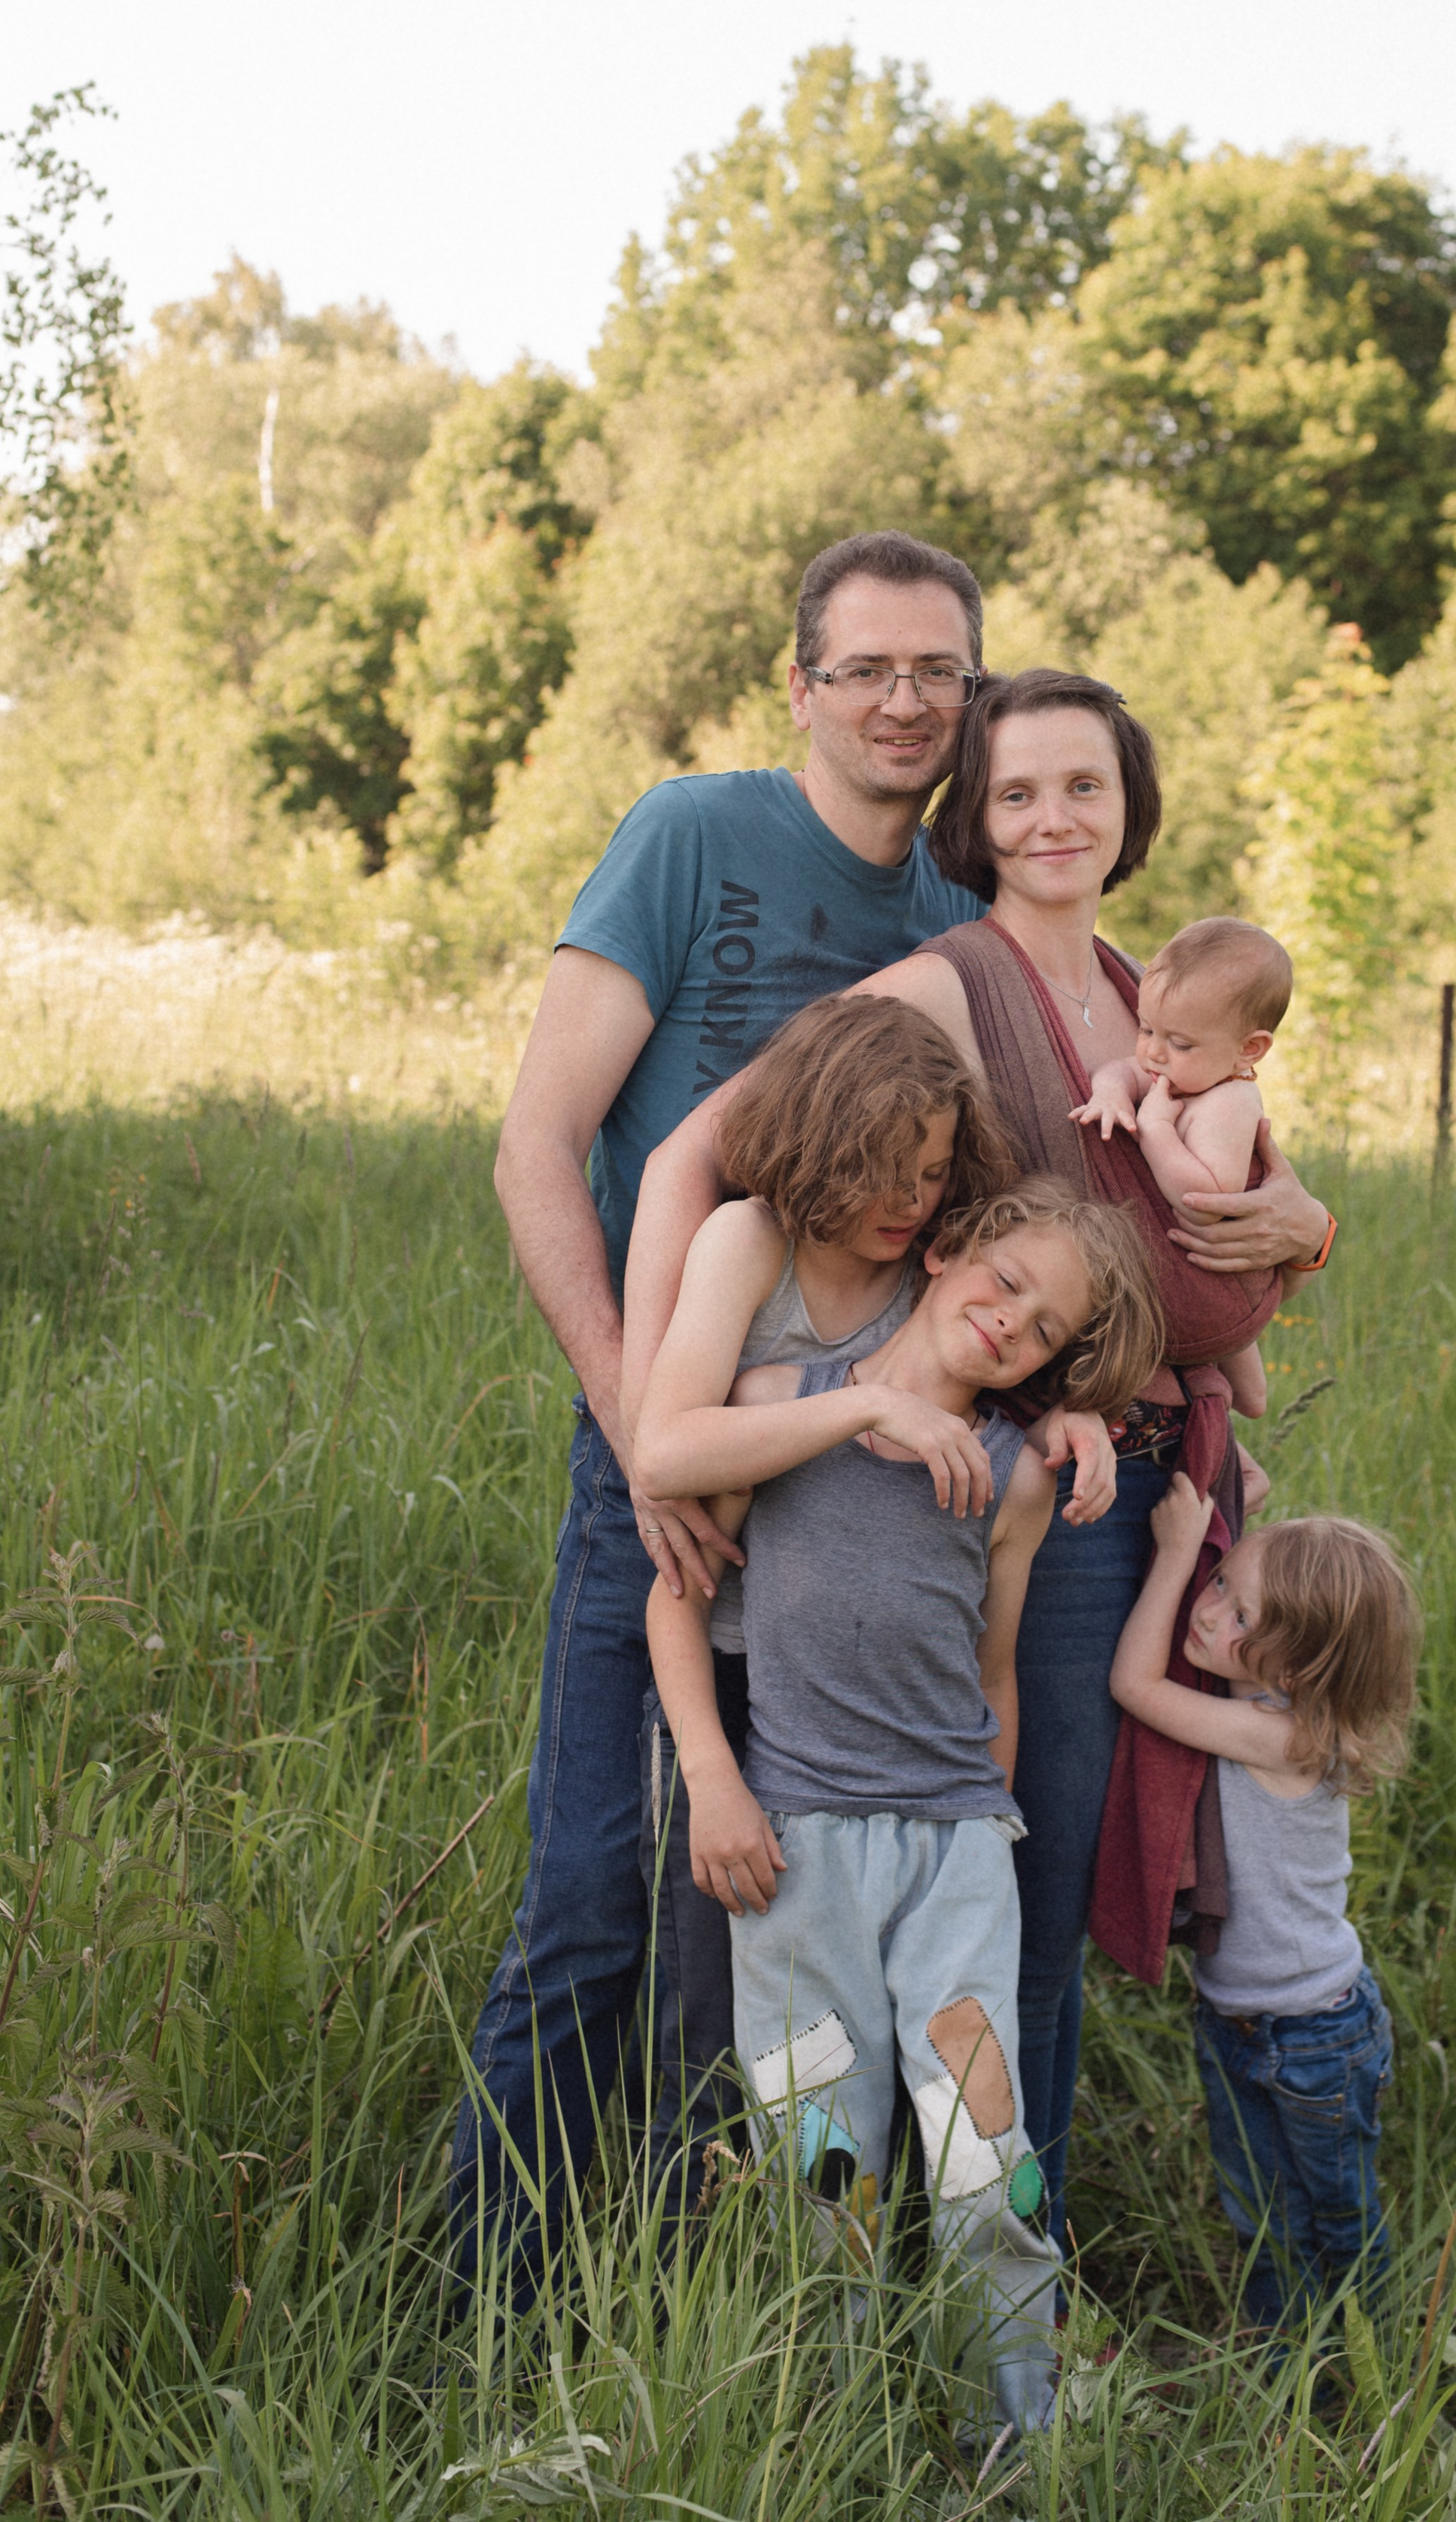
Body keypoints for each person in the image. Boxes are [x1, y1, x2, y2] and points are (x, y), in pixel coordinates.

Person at [452, 529, 1122, 2295]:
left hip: (864, 1516)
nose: (905, 701)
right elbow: (549, 1144)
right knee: (594, 1897)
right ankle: (476, 2299)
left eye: (938, 672)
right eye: (867, 668)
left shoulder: (960, 928)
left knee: (739, 1927)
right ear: (802, 682)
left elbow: (1014, 1231)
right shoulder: (690, 833)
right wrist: (634, 1421)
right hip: (672, 1449)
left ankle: (711, 2301)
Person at [626, 666, 1337, 2255]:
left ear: (1127, 805)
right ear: (975, 818)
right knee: (987, 1910)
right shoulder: (949, 981)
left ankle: (1018, 2272)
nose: (1051, 817)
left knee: (1045, 1907)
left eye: (1081, 785)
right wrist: (649, 1439)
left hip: (1150, 1478)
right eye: (1014, 792)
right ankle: (870, 2285)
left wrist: (1314, 1225)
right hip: (1032, 1491)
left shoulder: (1162, 993)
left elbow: (1223, 1242)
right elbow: (727, 1150)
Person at [638, 1178, 1165, 2435]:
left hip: (954, 1863)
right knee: (823, 2170)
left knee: (986, 2161)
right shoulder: (777, 1410)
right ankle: (825, 2432)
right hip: (794, 1855)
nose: (1012, 1325)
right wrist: (714, 1779)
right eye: (1006, 1283)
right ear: (944, 1252)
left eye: (1044, 1332)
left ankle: (1018, 2438)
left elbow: (993, 1676)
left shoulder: (1012, 1474)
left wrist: (987, 1826)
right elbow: (676, 1595)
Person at [622, 986, 1031, 2157]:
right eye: (882, 1171)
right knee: (722, 1999)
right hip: (733, 1661)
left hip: (874, 1696)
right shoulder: (749, 1239)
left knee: (897, 2035)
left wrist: (1079, 1424)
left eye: (934, 1172)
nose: (909, 1202)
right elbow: (665, 1443)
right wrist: (857, 1399)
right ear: (815, 1146)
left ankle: (907, 2277)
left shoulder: (933, 1269)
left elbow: (1004, 1366)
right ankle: (729, 2281)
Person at [1109, 1479, 1419, 2347]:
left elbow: (1133, 1683)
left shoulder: (1282, 1735)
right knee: (1260, 2214)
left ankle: (1373, 2370)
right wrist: (1227, 1498)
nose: (1210, 1617)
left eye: (1239, 1615)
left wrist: (1178, 1555)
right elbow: (1276, 1587)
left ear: (1295, 1670)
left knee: (1337, 2218)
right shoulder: (1261, 1698)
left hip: (1312, 2034)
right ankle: (1287, 2371)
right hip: (1239, 2019)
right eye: (1218, 1587)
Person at [1071, 915, 1298, 1425]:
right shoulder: (1169, 1069)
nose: (1152, 1051)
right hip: (1180, 1260)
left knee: (1236, 1343)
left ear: (1249, 1049)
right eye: (1146, 1028)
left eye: (1180, 1043)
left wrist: (1156, 1129)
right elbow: (1120, 1070)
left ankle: (1251, 1400)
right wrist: (1109, 1093)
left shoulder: (1230, 1101)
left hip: (1224, 1268)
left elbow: (1205, 1196)